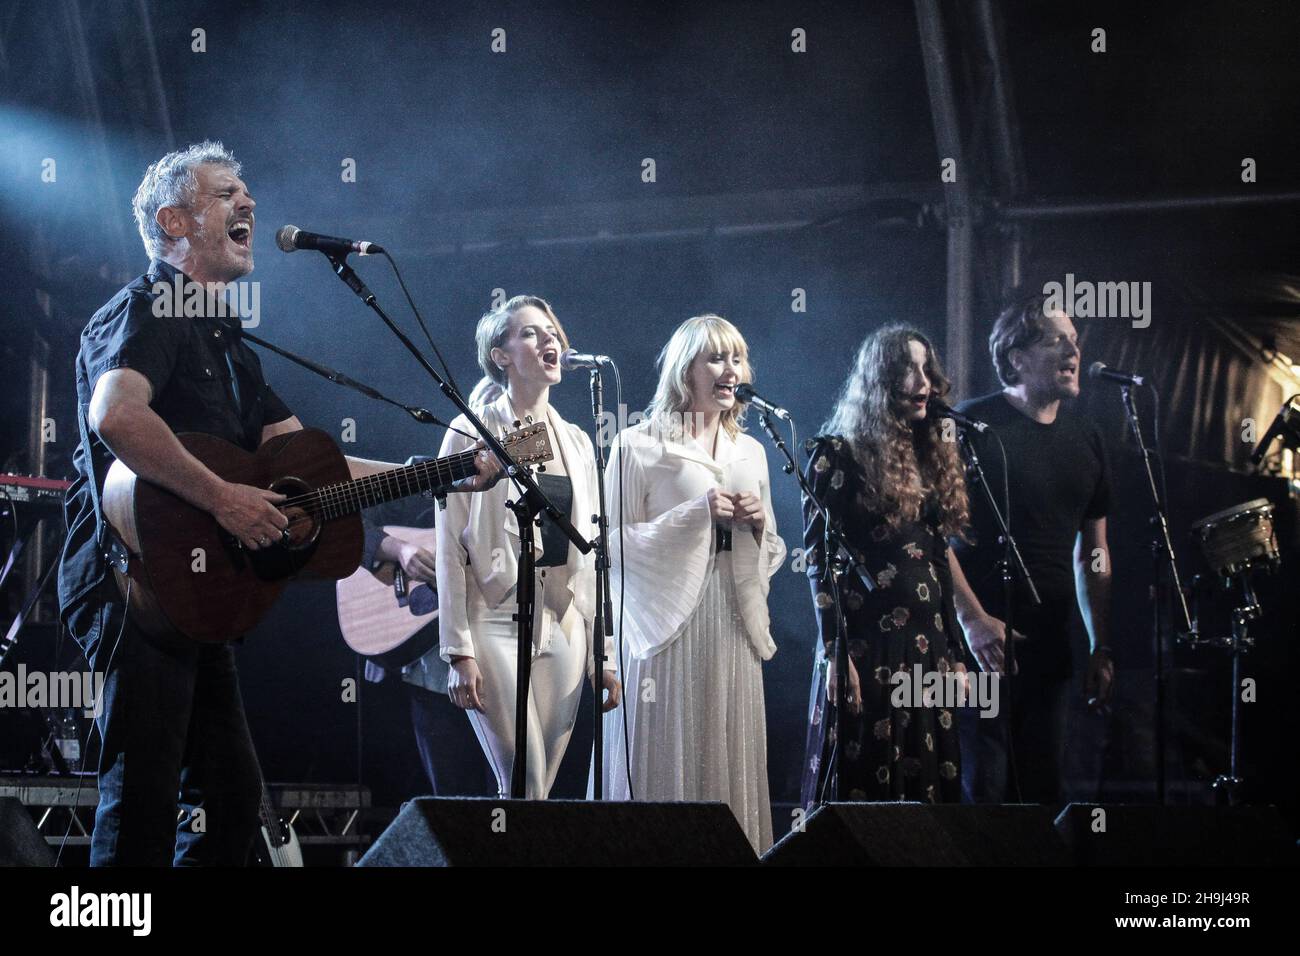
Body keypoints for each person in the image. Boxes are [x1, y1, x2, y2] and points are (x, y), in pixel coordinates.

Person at [56, 141, 497, 866]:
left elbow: (314, 467)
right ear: (174, 220)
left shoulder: (231, 344)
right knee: (141, 801)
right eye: (225, 192)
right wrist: (226, 499)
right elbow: (117, 417)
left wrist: (434, 471)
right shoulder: (145, 310)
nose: (248, 203)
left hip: (198, 595)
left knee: (231, 812)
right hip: (132, 584)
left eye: (246, 191)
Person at [597, 314, 786, 853]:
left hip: (731, 624)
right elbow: (611, 546)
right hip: (664, 630)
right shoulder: (636, 445)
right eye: (717, 359)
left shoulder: (750, 451)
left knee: (726, 754)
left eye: (738, 358)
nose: (732, 371)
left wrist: (756, 526)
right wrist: (695, 515)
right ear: (685, 370)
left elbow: (771, 552)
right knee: (666, 755)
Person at [437, 295, 621, 798]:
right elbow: (450, 544)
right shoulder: (471, 432)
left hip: (563, 623)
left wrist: (603, 655)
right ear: (500, 355)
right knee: (524, 777)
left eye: (553, 332)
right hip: (494, 619)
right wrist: (457, 651)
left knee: (539, 796)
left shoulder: (579, 442)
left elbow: (594, 551)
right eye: (531, 333)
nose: (550, 340)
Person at [799, 325, 973, 808]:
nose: (924, 383)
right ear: (880, 382)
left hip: (928, 645)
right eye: (908, 371)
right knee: (865, 787)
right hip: (867, 646)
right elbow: (819, 561)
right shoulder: (836, 455)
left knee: (929, 786)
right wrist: (836, 652)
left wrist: (956, 653)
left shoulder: (930, 455)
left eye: (927, 370)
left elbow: (938, 560)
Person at [951, 293, 1115, 804]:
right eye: (1056, 339)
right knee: (986, 790)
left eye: (1075, 339)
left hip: (1051, 644)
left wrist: (1099, 642)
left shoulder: (1087, 436)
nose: (1074, 348)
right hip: (980, 646)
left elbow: (1095, 553)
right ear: (1017, 357)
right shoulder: (970, 426)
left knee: (1043, 792)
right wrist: (973, 620)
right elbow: (931, 534)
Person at [358, 490, 494, 797]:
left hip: (503, 666)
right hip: (433, 673)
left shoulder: (521, 493)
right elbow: (347, 526)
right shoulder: (427, 474)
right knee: (453, 805)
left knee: (510, 803)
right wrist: (400, 550)